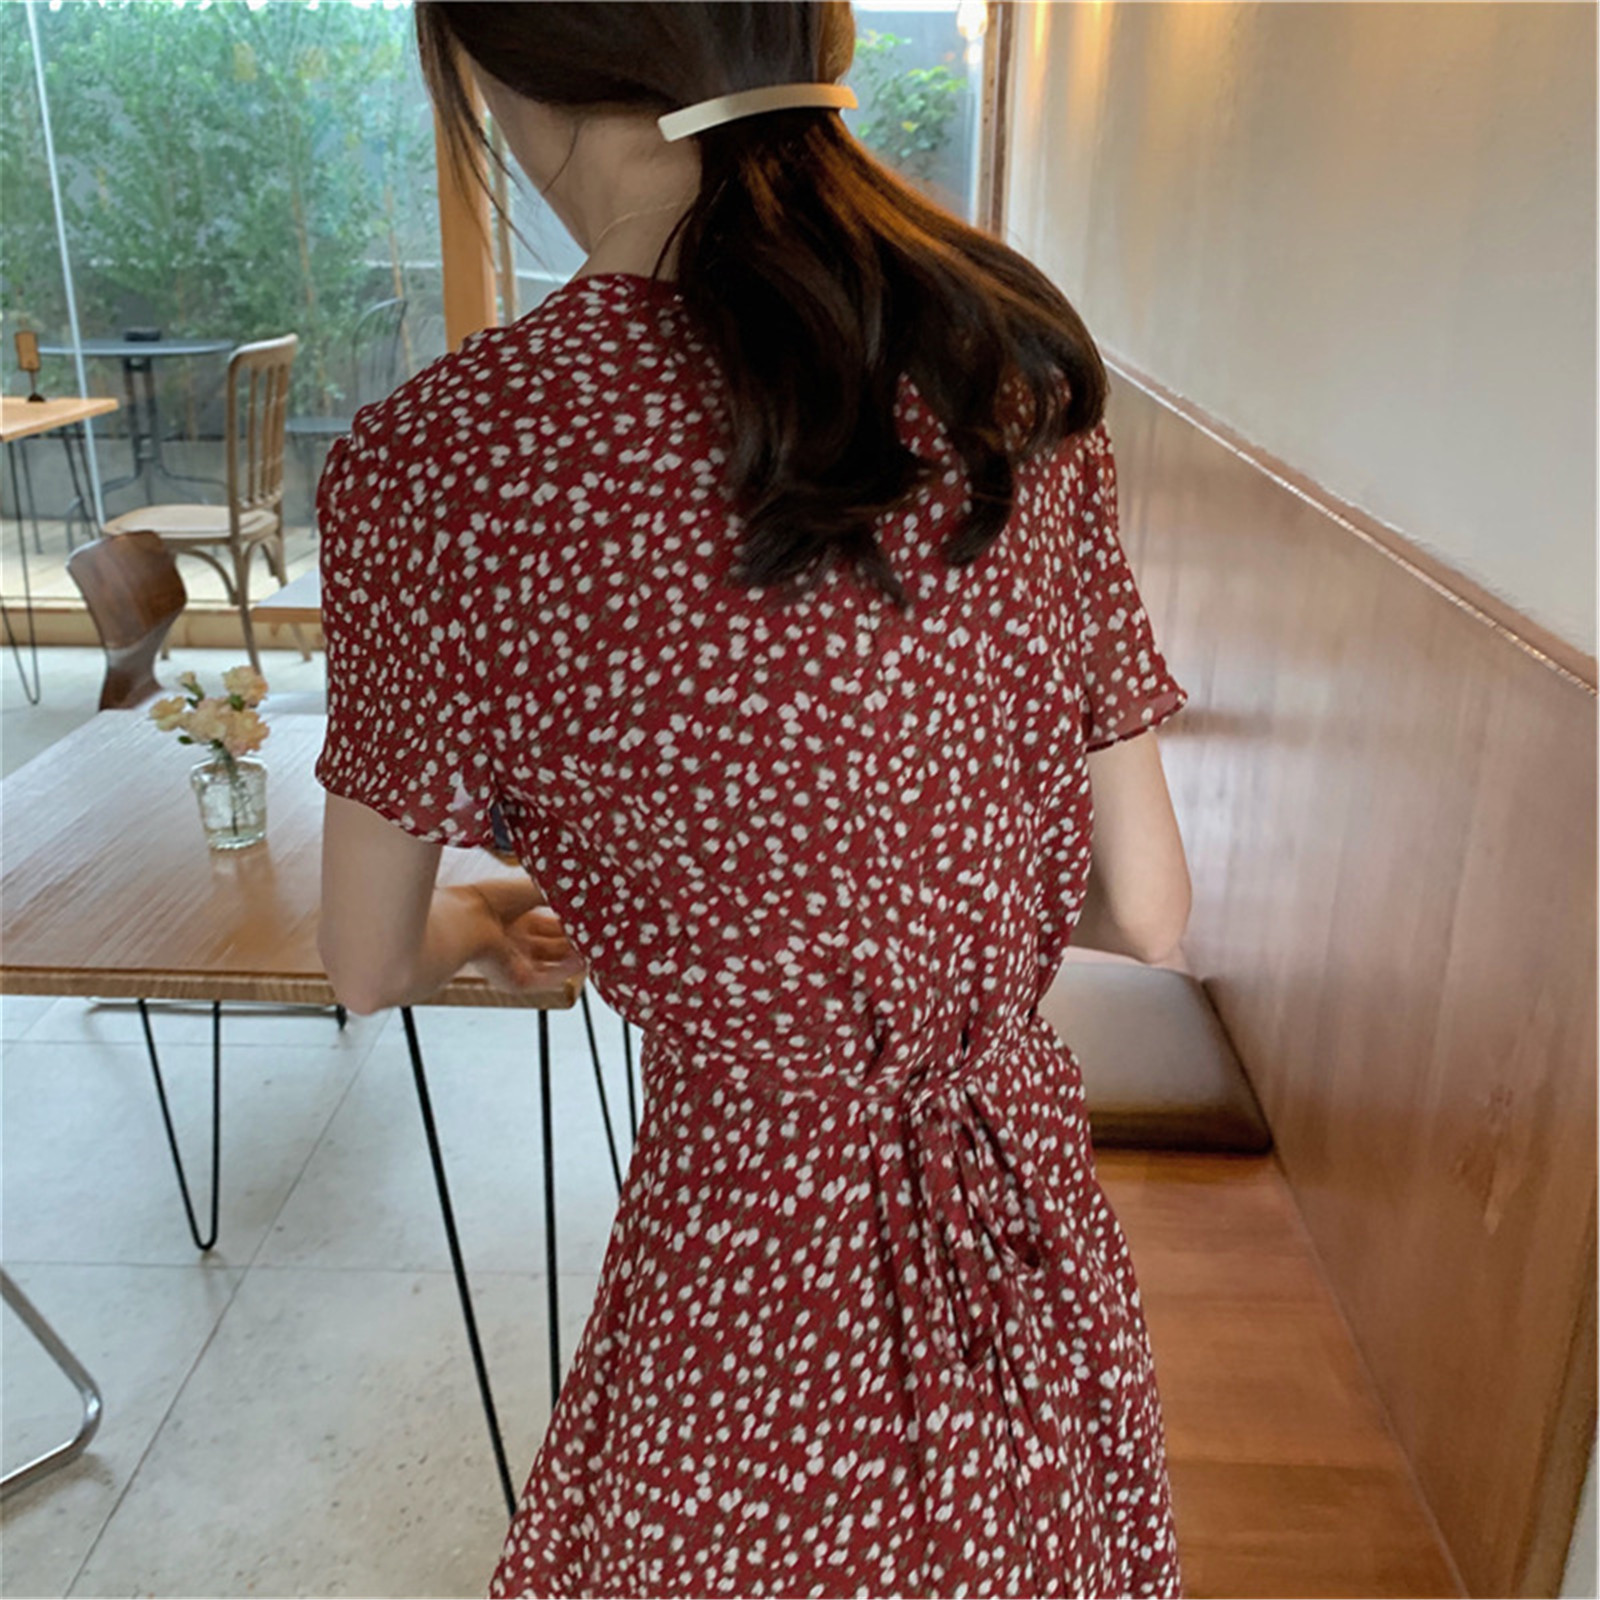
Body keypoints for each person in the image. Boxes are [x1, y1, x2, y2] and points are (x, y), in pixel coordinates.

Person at [313, 3, 1193, 1595]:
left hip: (747, 1256)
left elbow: (365, 963)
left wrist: (488, 920)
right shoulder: (1009, 376)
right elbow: (1146, 904)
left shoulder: (436, 465)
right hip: (1018, 1222)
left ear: (505, 72)